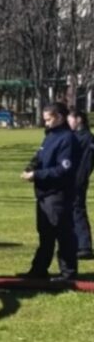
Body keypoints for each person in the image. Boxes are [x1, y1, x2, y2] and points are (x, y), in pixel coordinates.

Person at [19, 102, 80, 281]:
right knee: (45, 235)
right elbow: (40, 156)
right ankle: (39, 270)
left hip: (57, 194)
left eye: (48, 119)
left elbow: (64, 169)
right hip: (44, 194)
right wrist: (31, 166)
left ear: (59, 117)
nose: (45, 123)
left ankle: (68, 272)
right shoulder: (50, 136)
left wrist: (37, 175)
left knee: (62, 233)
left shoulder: (67, 139)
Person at [68, 108, 94, 260]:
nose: (68, 122)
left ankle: (84, 246)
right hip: (71, 179)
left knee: (77, 210)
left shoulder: (86, 138)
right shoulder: (75, 136)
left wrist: (79, 180)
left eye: (70, 119)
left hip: (77, 180)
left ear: (78, 119)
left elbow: (86, 164)